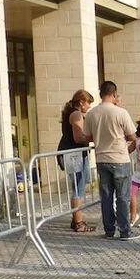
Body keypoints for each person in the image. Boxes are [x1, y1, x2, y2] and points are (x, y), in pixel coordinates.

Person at [77, 81, 139, 241]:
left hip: (101, 158)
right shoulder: (121, 112)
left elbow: (88, 137)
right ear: (114, 94)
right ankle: (125, 231)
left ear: (100, 94)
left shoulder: (91, 114)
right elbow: (132, 136)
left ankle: (109, 230)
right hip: (119, 158)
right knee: (122, 197)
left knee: (106, 197)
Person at [57, 89, 95, 233]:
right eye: (88, 103)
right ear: (81, 102)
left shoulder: (71, 113)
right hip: (75, 155)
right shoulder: (77, 114)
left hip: (72, 154)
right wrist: (93, 140)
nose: (89, 106)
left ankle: (76, 220)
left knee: (78, 186)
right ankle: (78, 223)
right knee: (78, 188)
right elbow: (78, 138)